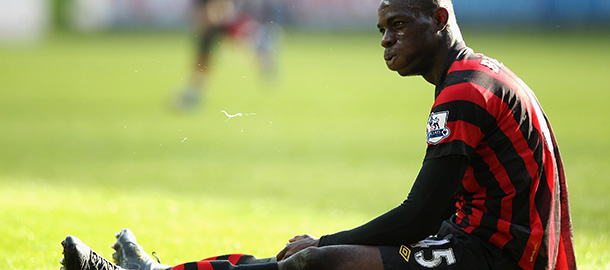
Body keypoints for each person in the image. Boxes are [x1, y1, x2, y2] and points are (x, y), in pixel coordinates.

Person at [60, 0, 577, 269]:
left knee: (318, 261)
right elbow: (440, 212)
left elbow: (420, 212)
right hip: (481, 248)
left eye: (398, 24)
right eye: (381, 30)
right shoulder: (478, 76)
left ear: (440, 19)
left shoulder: (465, 92)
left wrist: (327, 243)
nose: (386, 39)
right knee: (314, 262)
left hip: (497, 261)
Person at [174, 0, 282, 110]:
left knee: (210, 41)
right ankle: (258, 39)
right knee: (206, 48)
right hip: (213, 16)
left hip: (218, 14)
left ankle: (258, 39)